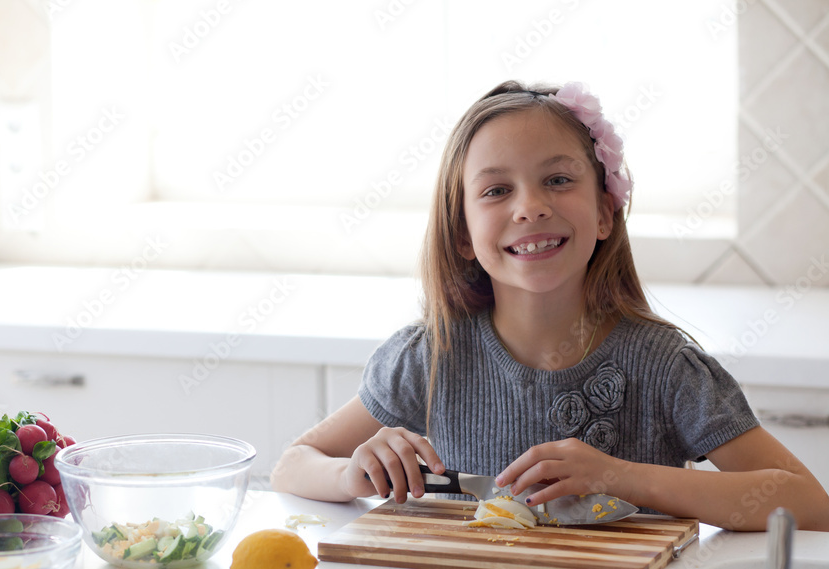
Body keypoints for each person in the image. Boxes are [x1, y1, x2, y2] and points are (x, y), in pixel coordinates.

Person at [270, 80, 829, 531]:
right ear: (463, 234)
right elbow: (292, 466)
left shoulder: (664, 367)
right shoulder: (432, 356)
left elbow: (808, 503)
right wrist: (352, 475)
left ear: (606, 213)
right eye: (496, 191)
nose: (530, 207)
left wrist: (621, 478)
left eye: (558, 179)